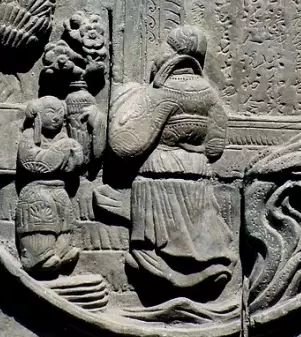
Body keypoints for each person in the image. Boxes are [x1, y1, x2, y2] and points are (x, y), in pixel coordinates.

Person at [108, 26, 235, 302]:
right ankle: (207, 270)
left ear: (173, 52)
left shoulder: (164, 91)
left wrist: (123, 101)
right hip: (197, 176)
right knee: (202, 238)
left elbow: (126, 146)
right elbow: (215, 147)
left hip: (160, 179)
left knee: (160, 251)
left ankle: (168, 274)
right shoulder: (208, 92)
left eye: (164, 47)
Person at [15, 96, 84, 275]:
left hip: (59, 188)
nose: (56, 117)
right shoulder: (29, 136)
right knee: (41, 218)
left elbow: (73, 166)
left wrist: (75, 153)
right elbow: (34, 163)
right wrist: (61, 149)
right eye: (51, 112)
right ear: (38, 115)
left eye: (60, 113)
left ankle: (61, 252)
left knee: (65, 222)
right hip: (37, 189)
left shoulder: (62, 138)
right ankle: (37, 258)